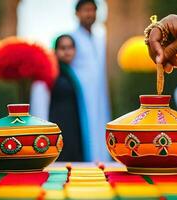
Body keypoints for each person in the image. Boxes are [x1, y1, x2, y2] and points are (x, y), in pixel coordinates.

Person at [31, 35, 88, 161]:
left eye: (70, 47)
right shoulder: (51, 71)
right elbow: (40, 102)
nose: (67, 52)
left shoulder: (75, 72)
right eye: (63, 48)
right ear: (55, 50)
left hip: (74, 125)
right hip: (58, 127)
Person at [71, 0, 111, 161]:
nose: (89, 14)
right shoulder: (72, 39)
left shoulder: (100, 38)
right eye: (85, 10)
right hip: (81, 94)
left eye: (93, 10)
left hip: (100, 92)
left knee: (101, 126)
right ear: (77, 14)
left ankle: (102, 162)